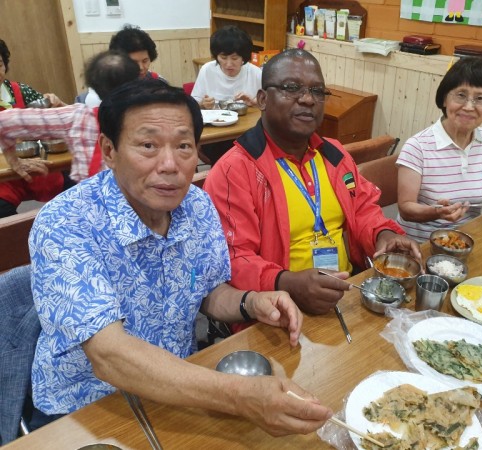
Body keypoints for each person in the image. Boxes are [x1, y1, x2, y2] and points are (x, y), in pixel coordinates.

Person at [28, 79, 332, 436]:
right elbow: (109, 355)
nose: (170, 165)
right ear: (109, 150)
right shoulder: (66, 222)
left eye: (184, 146)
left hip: (181, 387)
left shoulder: (196, 205)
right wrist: (238, 396)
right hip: (87, 409)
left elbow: (208, 291)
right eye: (148, 145)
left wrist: (251, 302)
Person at [203, 49, 421, 317]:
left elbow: (363, 209)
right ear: (262, 99)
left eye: (317, 91)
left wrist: (383, 235)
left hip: (348, 292)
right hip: (275, 309)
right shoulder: (235, 171)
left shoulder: (334, 154)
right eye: (291, 88)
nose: (307, 99)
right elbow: (234, 259)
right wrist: (288, 283)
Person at [395, 56, 482, 243]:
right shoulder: (417, 146)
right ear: (445, 99)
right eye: (461, 95)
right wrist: (437, 212)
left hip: (468, 239)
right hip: (420, 244)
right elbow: (406, 208)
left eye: (480, 98)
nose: (468, 107)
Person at [0, 50, 139, 183]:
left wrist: (14, 161)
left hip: (90, 197)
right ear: (137, 83)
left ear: (93, 85)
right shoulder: (145, 117)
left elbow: (4, 121)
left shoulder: (79, 116)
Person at [0, 38, 70, 217]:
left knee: (79, 189)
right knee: (7, 222)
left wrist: (58, 105)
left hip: (33, 163)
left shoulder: (20, 90)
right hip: (3, 177)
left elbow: (59, 121)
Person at [190, 25, 262, 164]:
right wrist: (202, 104)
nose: (229, 64)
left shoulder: (255, 73)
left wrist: (254, 103)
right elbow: (192, 105)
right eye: (223, 57)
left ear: (244, 57)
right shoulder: (207, 70)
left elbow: (270, 107)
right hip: (216, 136)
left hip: (247, 133)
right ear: (216, 56)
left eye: (235, 58)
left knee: (251, 150)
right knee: (227, 155)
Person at [76, 24, 167, 107]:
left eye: (145, 61)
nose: (141, 67)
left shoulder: (159, 83)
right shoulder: (92, 97)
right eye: (133, 62)